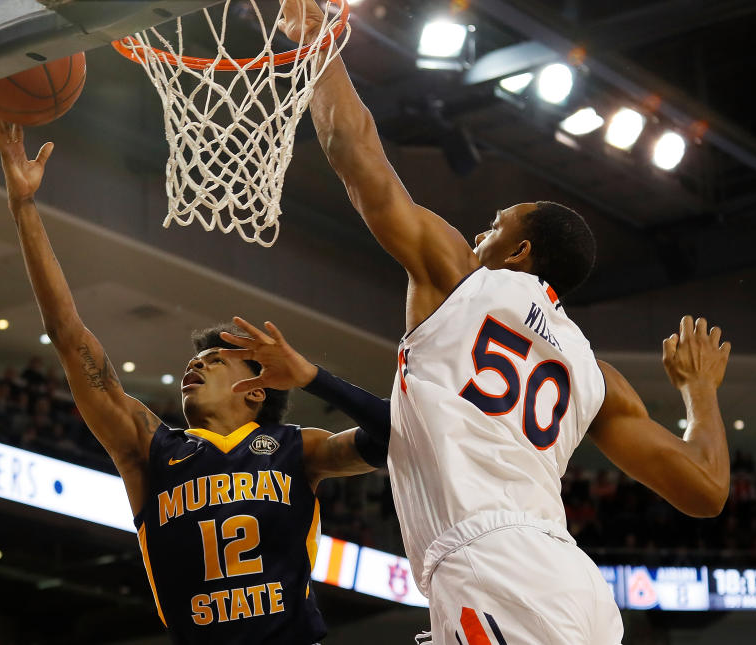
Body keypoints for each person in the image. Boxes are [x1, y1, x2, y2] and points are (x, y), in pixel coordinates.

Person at [278, 2, 733, 642]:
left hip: (490, 567)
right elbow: (707, 491)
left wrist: (312, 39)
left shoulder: (459, 277)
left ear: (519, 253)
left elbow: (355, 152)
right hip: (569, 580)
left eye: (494, 226)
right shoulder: (594, 376)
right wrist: (700, 393)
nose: (476, 233)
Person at [0, 113, 390, 645]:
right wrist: (23, 206)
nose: (195, 364)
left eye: (217, 360)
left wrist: (312, 377)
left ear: (258, 388)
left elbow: (391, 436)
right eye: (197, 360)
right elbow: (68, 336)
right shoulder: (150, 450)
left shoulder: (296, 450)